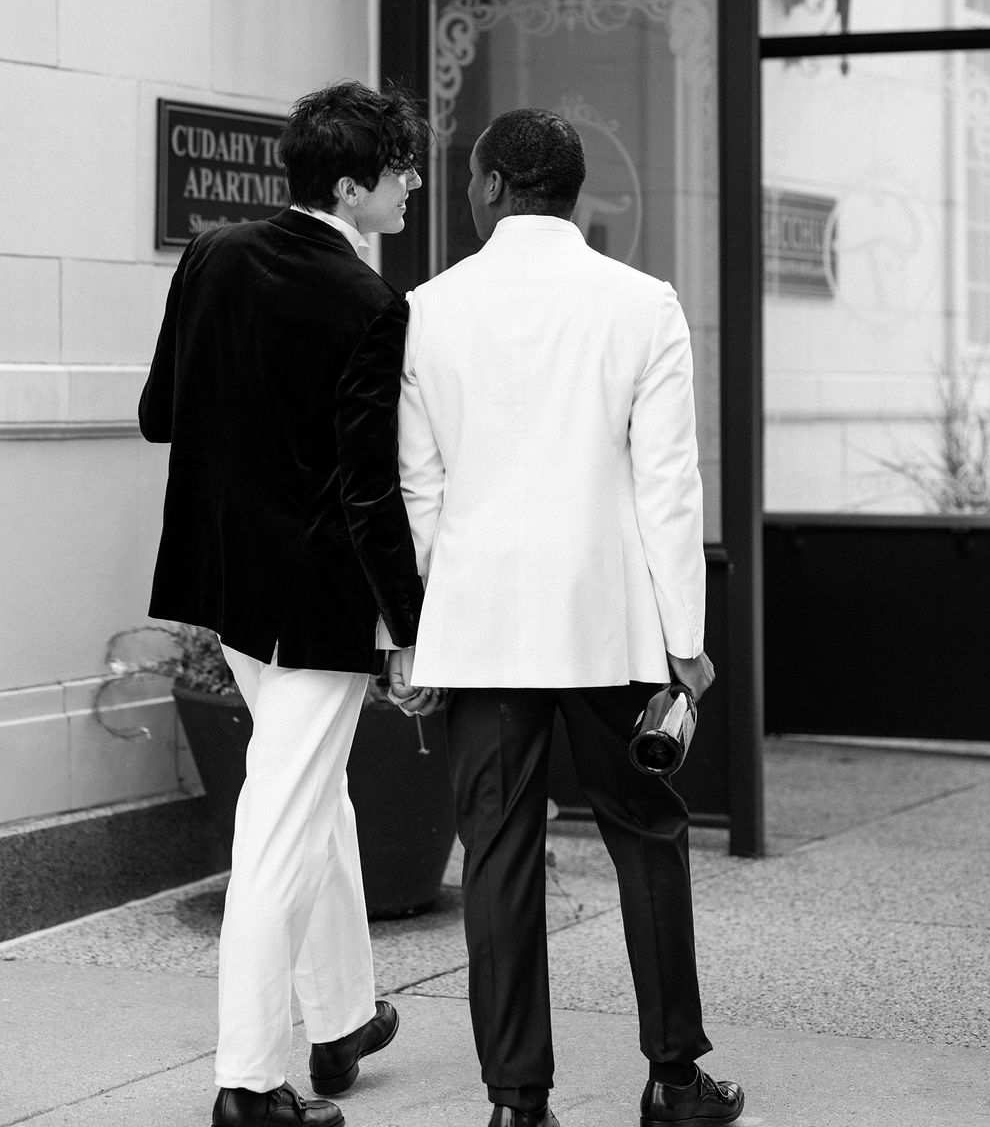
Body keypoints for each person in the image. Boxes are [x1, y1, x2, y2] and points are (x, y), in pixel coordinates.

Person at [393, 109, 745, 1127]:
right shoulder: (642, 303)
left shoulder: (427, 309)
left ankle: (518, 1104)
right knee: (647, 835)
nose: (468, 193)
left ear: (494, 186)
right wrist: (685, 643)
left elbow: (419, 489)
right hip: (608, 625)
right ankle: (674, 1080)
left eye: (471, 179)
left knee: (497, 855)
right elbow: (669, 485)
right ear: (574, 192)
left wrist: (414, 635)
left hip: (482, 629)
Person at [139, 80, 431, 1127]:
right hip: (314, 607)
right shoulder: (371, 303)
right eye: (398, 171)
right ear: (350, 187)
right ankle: (250, 1080)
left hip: (229, 583)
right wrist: (410, 627)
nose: (412, 185)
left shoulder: (212, 254)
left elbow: (159, 413)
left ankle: (342, 1017)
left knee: (312, 799)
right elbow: (369, 491)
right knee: (281, 826)